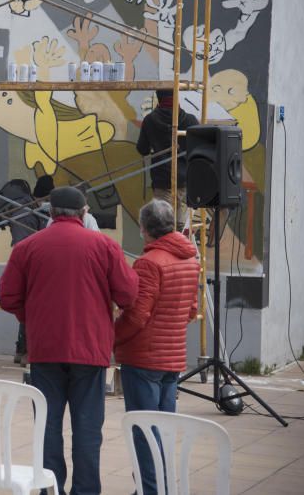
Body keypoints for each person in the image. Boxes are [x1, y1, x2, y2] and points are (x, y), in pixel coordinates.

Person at [0, 186, 138, 495]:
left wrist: (31, 317)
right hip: (90, 349)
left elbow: (7, 297)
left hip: (45, 349)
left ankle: (51, 489)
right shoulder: (105, 246)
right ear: (84, 213)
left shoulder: (27, 247)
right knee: (87, 427)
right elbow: (128, 295)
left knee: (47, 427)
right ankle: (86, 490)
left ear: (50, 213)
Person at [115, 199, 200, 495]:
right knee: (162, 429)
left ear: (143, 228)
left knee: (143, 430)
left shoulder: (149, 262)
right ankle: (157, 487)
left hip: (143, 358)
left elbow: (137, 316)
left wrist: (111, 337)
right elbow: (191, 310)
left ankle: (150, 490)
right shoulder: (190, 259)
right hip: (172, 357)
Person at [136, 90, 199, 227]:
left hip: (162, 181)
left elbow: (142, 149)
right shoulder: (190, 120)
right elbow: (199, 150)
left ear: (159, 99)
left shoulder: (150, 120)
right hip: (185, 181)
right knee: (180, 226)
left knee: (162, 225)